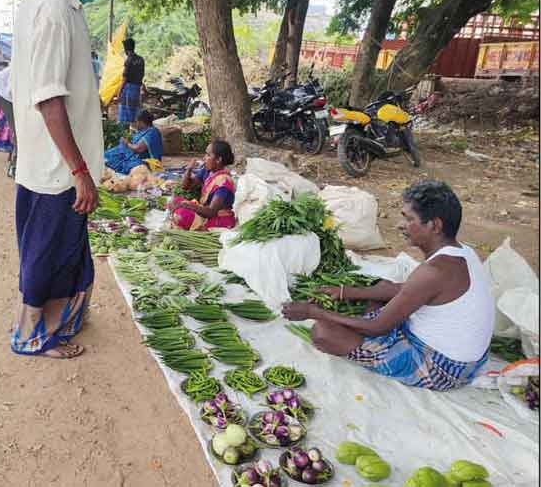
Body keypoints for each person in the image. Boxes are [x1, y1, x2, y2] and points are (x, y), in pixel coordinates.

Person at [282, 180, 494, 391]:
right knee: (381, 289)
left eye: (409, 219)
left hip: (441, 368)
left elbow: (377, 328)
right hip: (468, 359)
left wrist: (314, 312)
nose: (400, 225)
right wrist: (348, 292)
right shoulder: (461, 251)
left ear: (435, 225)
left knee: (323, 334)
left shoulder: (434, 271)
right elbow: (409, 290)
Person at [10, 0, 118, 359]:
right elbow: (49, 98)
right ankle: (33, 335)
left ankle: (62, 322)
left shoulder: (60, 5)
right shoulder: (52, 9)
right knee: (46, 252)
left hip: (56, 162)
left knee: (67, 249)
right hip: (56, 167)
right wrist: (79, 170)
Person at [171, 140, 237, 231]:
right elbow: (185, 186)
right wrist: (189, 169)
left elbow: (211, 212)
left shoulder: (223, 182)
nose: (204, 158)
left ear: (218, 160)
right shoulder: (207, 171)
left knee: (181, 215)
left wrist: (188, 205)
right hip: (204, 211)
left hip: (218, 218)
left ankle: (198, 226)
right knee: (175, 201)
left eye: (208, 155)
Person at [103, 109, 162, 174]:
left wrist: (127, 143)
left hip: (146, 162)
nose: (134, 124)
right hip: (133, 157)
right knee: (108, 156)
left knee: (124, 165)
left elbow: (138, 149)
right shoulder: (141, 131)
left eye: (136, 122)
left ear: (141, 122)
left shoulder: (152, 132)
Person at [116, 37, 144, 124]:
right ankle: (134, 128)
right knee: (135, 111)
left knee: (125, 113)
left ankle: (125, 131)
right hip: (137, 88)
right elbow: (141, 75)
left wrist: (119, 91)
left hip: (128, 89)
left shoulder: (129, 60)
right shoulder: (141, 59)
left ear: (126, 49)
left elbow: (125, 78)